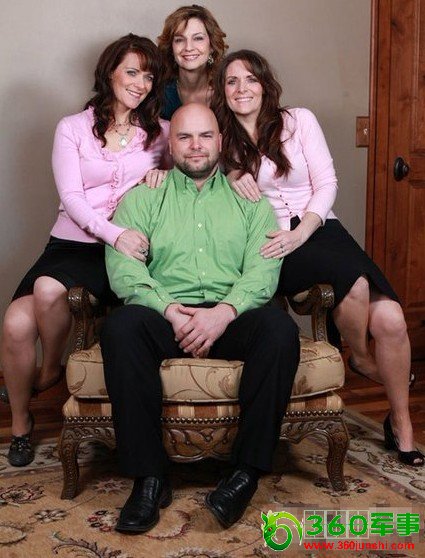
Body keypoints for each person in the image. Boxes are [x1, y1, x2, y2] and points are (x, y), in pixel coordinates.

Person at [211, 49, 424, 467]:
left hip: (319, 228)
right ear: (222, 91)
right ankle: (360, 356)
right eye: (232, 81)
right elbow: (203, 182)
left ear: (265, 85)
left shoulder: (299, 120)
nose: (242, 88)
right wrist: (231, 174)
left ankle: (401, 422)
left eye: (250, 79)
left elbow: (327, 182)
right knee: (357, 285)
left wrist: (303, 232)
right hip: (272, 242)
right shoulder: (221, 141)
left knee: (392, 320)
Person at [100, 103, 300, 533]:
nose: (196, 146)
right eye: (185, 137)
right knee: (121, 326)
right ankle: (150, 478)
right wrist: (169, 310)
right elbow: (124, 270)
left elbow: (263, 270)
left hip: (230, 317)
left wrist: (224, 313)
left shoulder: (250, 201)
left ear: (220, 142)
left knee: (280, 329)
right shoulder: (144, 198)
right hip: (167, 316)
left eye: (205, 136)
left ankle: (244, 473)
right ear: (170, 146)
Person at [0, 34, 170, 468]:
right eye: (132, 72)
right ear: (109, 72)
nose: (141, 84)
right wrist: (114, 233)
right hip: (73, 243)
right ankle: (23, 419)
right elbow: (72, 198)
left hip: (121, 254)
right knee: (16, 323)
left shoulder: (161, 133)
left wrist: (165, 177)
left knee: (44, 292)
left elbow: (194, 171)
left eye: (149, 76)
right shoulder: (72, 128)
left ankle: (48, 372)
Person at [157, 4, 227, 120]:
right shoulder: (160, 94)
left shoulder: (226, 92)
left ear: (212, 46)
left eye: (198, 38)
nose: (188, 47)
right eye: (179, 40)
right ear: (171, 48)